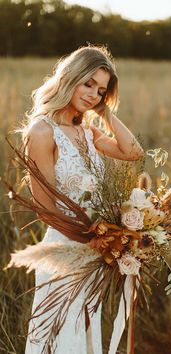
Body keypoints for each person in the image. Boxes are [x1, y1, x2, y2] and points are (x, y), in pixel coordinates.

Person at [23, 45, 144, 354]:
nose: (94, 94)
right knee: (62, 337)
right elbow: (46, 209)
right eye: (88, 83)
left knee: (85, 334)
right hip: (64, 251)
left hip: (94, 253)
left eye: (101, 90)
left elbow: (133, 152)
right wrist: (90, 238)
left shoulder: (87, 131)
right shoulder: (41, 131)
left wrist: (104, 112)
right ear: (70, 77)